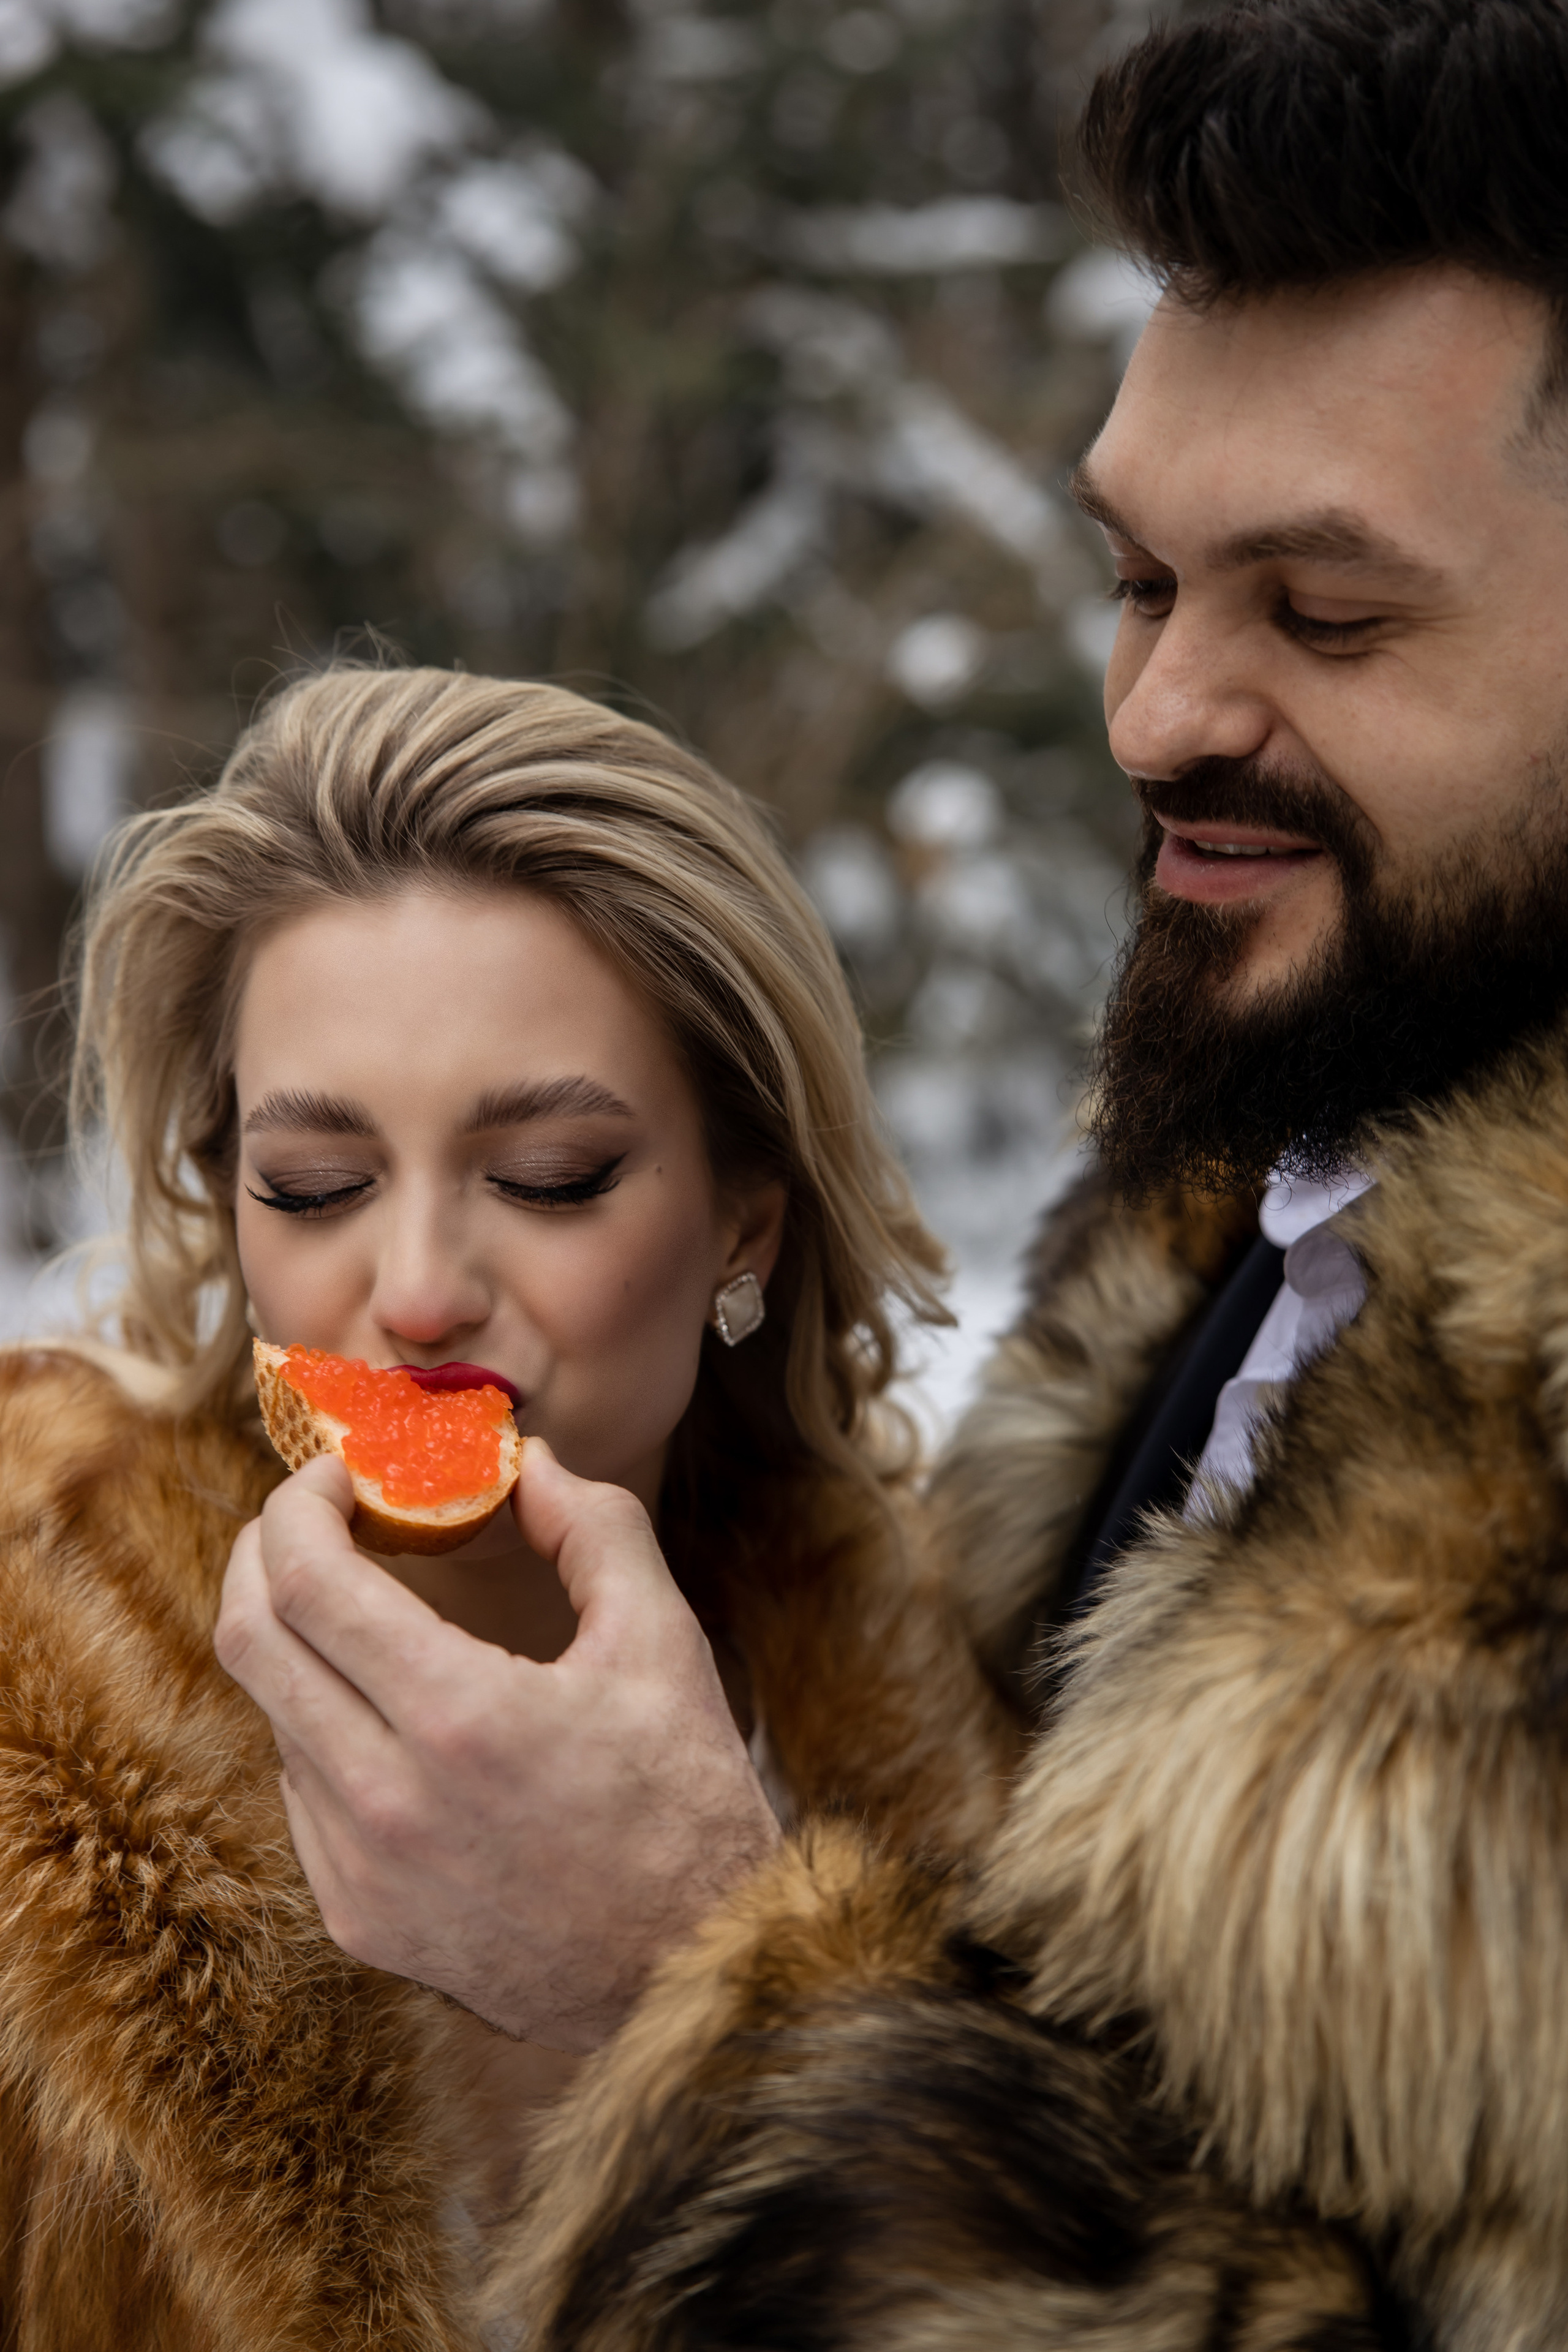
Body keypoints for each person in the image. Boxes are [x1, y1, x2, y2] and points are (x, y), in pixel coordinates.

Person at [217, 1, 1568, 2344]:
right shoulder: (1265, 1166)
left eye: (1326, 615)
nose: (1152, 718)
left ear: (750, 1215)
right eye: (1140, 580)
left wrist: (695, 1976)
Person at [0, 665, 1013, 2348]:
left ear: (746, 1224)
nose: (411, 1294)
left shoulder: (1010, 1727)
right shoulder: (29, 1698)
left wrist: (725, 1975)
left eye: (549, 1178)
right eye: (313, 1185)